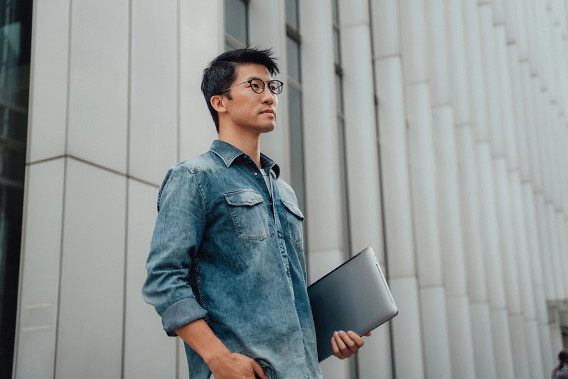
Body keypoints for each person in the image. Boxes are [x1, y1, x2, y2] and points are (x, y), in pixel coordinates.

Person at [142, 47, 368, 379]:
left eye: (272, 87)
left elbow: (281, 300)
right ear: (220, 102)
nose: (270, 97)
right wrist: (218, 358)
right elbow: (163, 278)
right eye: (255, 86)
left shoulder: (284, 190)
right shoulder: (194, 176)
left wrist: (334, 335)